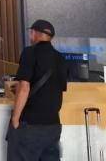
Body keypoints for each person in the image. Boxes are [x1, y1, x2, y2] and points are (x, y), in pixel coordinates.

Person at [7, 20, 68, 161]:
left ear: (35, 33)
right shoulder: (60, 58)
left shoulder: (29, 52)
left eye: (31, 32)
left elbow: (24, 87)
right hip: (53, 125)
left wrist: (15, 119)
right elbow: (57, 88)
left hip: (30, 125)